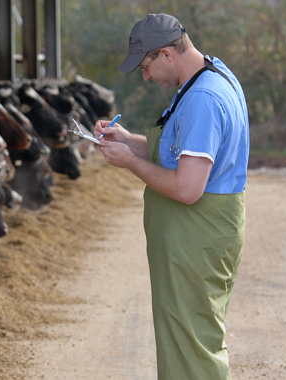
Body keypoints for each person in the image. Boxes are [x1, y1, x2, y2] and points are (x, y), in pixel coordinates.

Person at [94, 13, 249, 380]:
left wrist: (130, 162)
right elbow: (184, 150)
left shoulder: (203, 99)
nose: (146, 77)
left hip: (196, 240)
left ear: (166, 54)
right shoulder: (211, 75)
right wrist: (128, 140)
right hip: (201, 235)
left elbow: (187, 187)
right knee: (191, 340)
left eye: (146, 67)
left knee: (191, 347)